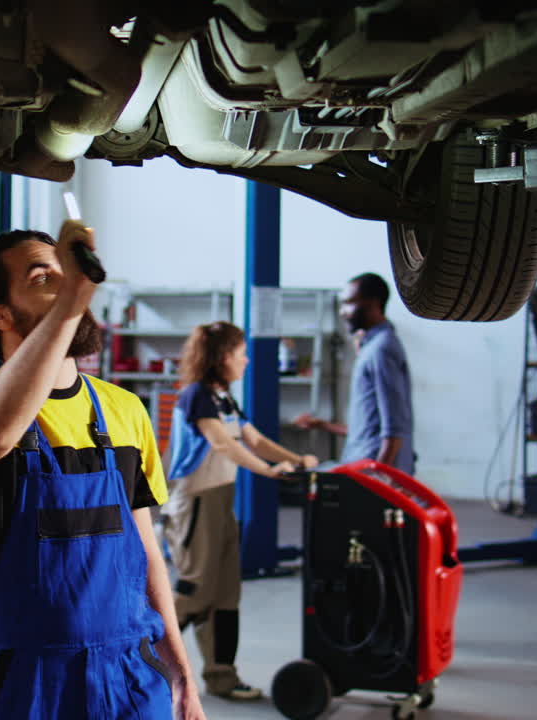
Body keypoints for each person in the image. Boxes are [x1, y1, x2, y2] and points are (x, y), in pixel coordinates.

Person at [0, 225, 205, 720]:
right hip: (25, 682)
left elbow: (146, 553)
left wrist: (181, 671)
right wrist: (72, 302)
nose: (64, 284)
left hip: (129, 675)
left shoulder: (125, 410)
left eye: (66, 274)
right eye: (43, 278)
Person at [163, 321, 319, 700]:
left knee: (226, 594)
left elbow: (255, 440)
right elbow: (222, 444)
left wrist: (297, 460)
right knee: (196, 590)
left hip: (222, 499)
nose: (247, 360)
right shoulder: (196, 395)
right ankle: (141, 665)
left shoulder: (223, 397)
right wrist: (268, 471)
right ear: (221, 357)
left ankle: (221, 677)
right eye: (240, 353)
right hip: (196, 500)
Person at [294, 272, 414, 474]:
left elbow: (394, 429)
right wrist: (323, 425)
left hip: (373, 472)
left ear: (373, 304)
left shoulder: (381, 350)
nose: (342, 312)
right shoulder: (372, 347)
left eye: (348, 303)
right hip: (362, 464)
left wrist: (377, 479)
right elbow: (369, 430)